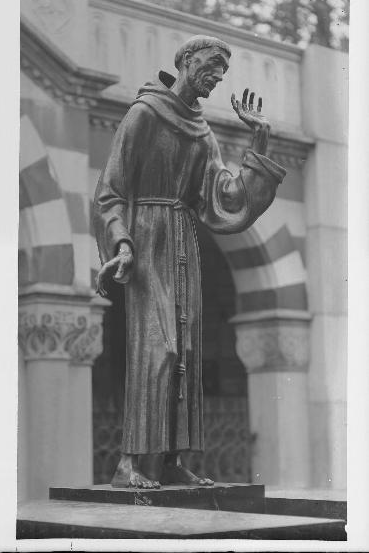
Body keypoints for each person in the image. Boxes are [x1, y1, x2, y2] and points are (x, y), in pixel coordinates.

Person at [93, 35, 286, 489]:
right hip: (146, 241)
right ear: (185, 59)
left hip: (184, 243)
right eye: (211, 64)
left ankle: (172, 459)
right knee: (160, 349)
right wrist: (121, 242)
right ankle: (129, 462)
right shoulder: (143, 114)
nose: (218, 75)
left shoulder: (203, 132)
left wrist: (259, 138)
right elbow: (110, 191)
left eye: (222, 70)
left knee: (187, 352)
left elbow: (225, 196)